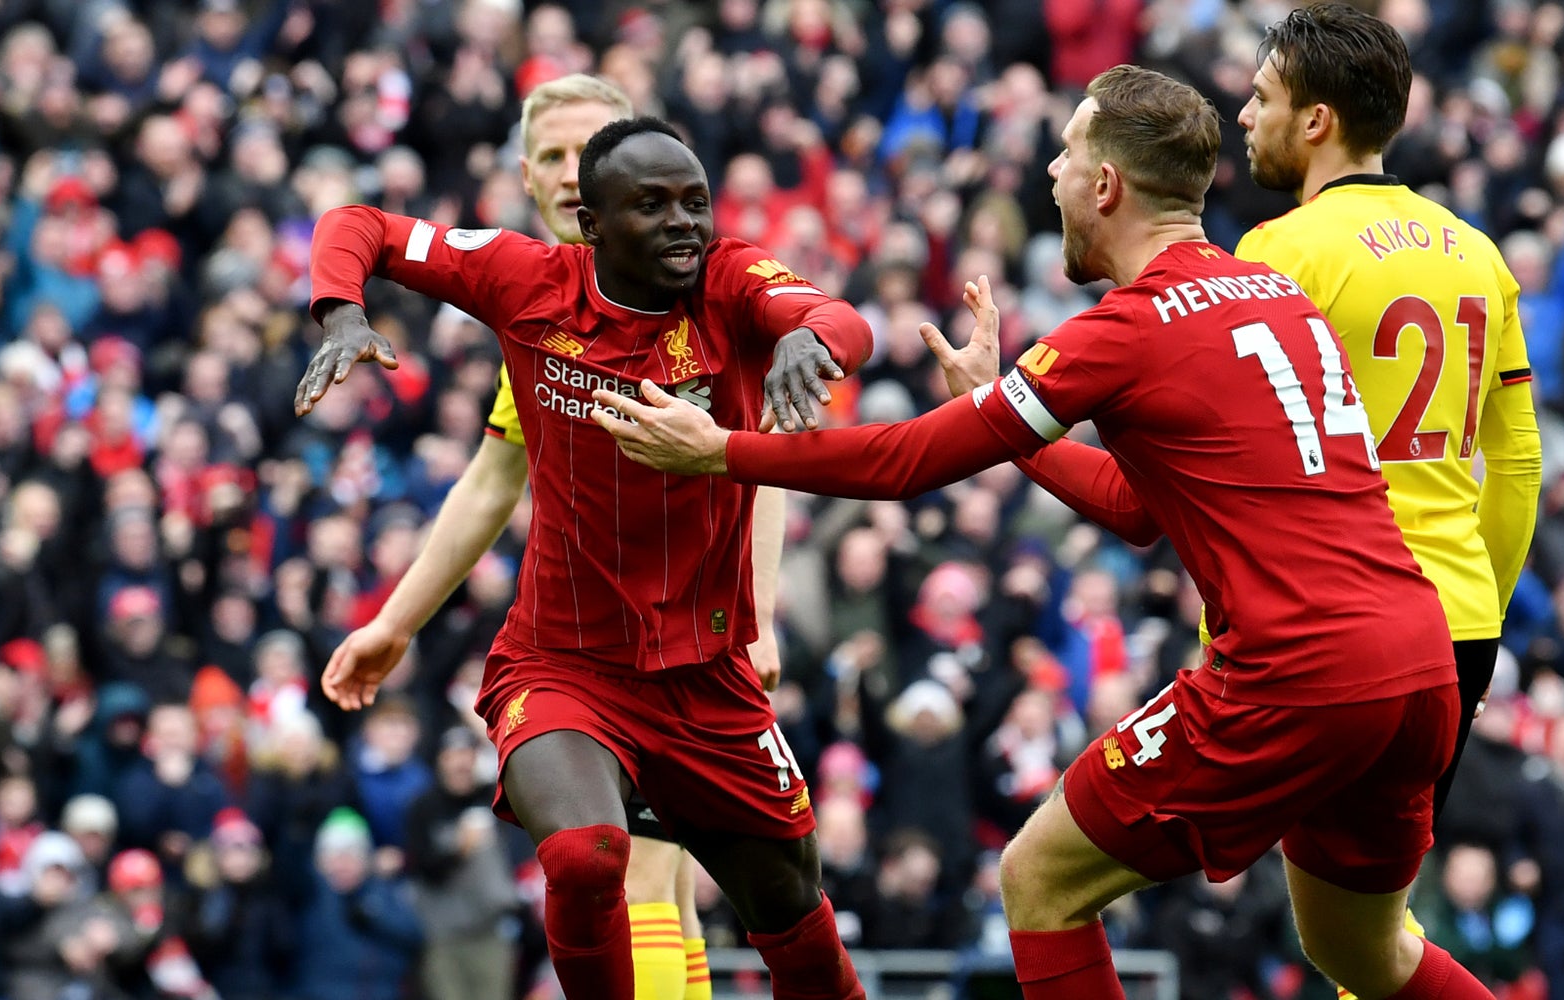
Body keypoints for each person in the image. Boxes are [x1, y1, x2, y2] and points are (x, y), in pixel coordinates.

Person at [592, 65, 1495, 1000]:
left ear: (1105, 185)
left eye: (1067, 152)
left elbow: (905, 464)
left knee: (1041, 880)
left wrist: (722, 450)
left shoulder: (1126, 329)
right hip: (1417, 660)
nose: (1051, 171)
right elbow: (1139, 510)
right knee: (1364, 955)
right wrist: (994, 407)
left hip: (1298, 672)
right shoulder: (1272, 295)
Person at [293, 115, 875, 999]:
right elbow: (359, 224)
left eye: (696, 203)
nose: (685, 223)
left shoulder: (730, 283)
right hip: (564, 661)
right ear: (590, 220)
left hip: (708, 678)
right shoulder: (526, 281)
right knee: (587, 855)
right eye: (653, 205)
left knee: (793, 917)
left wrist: (810, 337)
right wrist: (340, 312)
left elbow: (833, 315)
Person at [1231, 11, 1543, 990]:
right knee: (1365, 930)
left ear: (1316, 120)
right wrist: (1481, 611)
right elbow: (1517, 465)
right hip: (1455, 619)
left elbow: (1241, 460)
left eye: (1260, 97)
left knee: (1345, 934)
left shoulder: (1279, 251)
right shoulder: (1476, 253)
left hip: (1337, 622)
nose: (1242, 115)